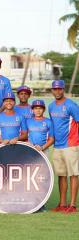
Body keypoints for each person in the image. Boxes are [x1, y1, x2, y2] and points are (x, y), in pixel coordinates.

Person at [48, 80, 79, 213]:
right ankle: (62, 204)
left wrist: (76, 140)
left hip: (71, 145)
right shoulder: (50, 106)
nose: (57, 91)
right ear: (52, 90)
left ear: (63, 89)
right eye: (55, 89)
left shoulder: (71, 105)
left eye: (60, 89)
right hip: (57, 146)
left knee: (73, 174)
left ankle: (72, 205)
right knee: (61, 175)